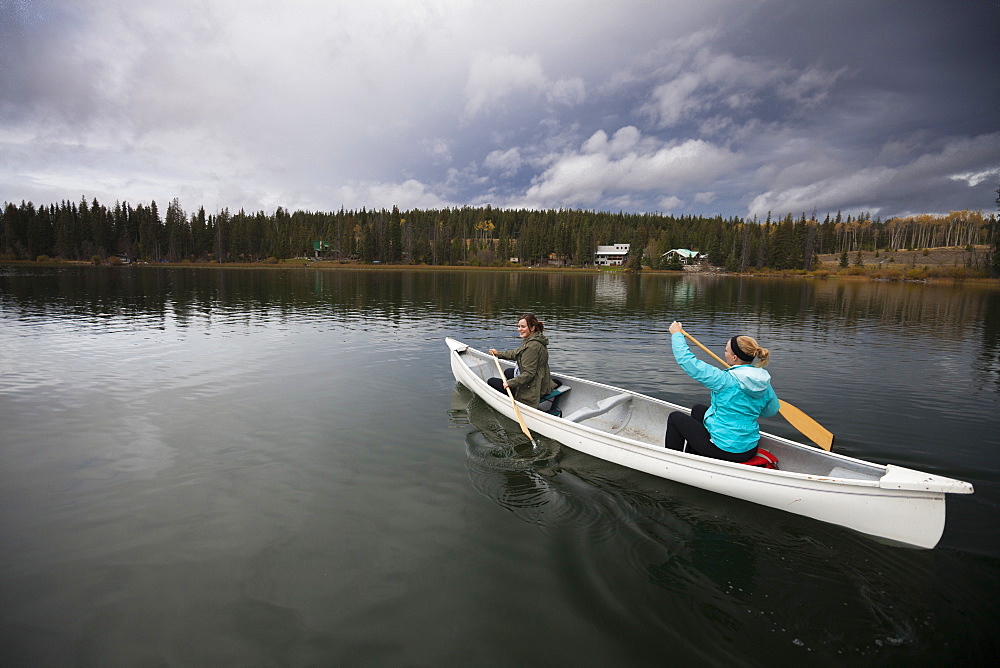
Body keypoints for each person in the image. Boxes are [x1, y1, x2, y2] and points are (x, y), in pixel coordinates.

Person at [665, 321, 779, 462]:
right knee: (699, 410)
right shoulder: (763, 383)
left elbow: (687, 362)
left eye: (726, 351)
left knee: (675, 418)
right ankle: (693, 455)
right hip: (749, 448)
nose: (724, 353)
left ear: (734, 357)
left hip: (725, 450)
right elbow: (770, 411)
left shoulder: (725, 380)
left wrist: (677, 335)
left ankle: (672, 463)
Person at [487, 313, 556, 409]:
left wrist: (509, 383)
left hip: (532, 389)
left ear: (532, 328)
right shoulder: (534, 339)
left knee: (491, 381)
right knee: (508, 372)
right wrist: (498, 354)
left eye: (523, 326)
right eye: (519, 326)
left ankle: (510, 401)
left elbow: (529, 374)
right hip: (540, 380)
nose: (519, 329)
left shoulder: (531, 347)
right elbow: (516, 353)